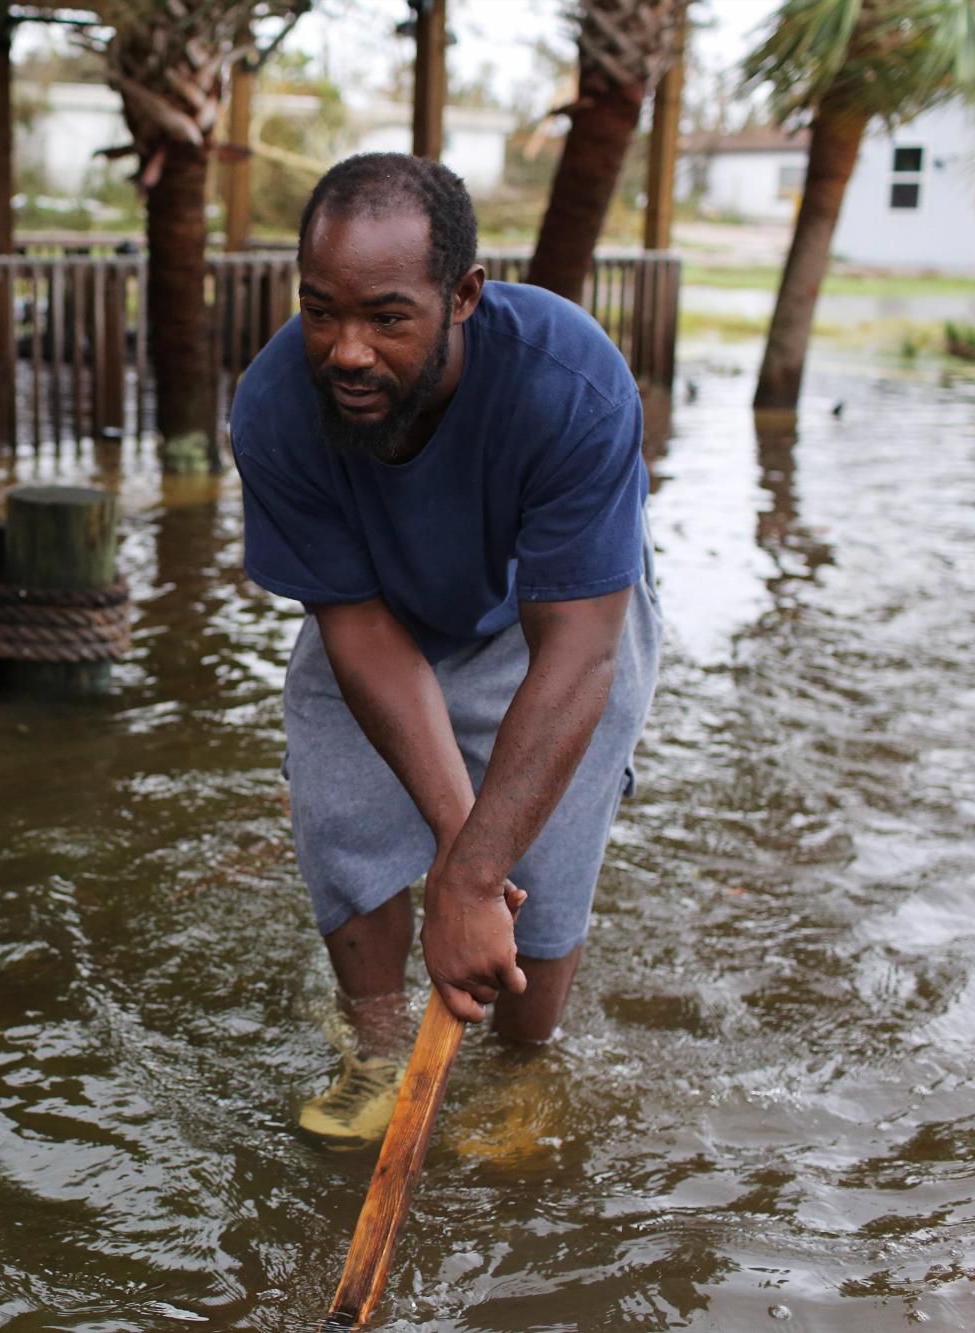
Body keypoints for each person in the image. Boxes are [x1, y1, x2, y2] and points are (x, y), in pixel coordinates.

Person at [229, 153, 661, 1147]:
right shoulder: (272, 408)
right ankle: (376, 1054)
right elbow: (355, 631)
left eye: (386, 317)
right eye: (319, 311)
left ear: (461, 295)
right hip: (379, 609)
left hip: (551, 621)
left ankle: (522, 1066)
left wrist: (474, 877)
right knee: (342, 817)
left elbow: (580, 653)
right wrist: (459, 853)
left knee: (545, 859)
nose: (344, 351)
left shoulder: (569, 382)